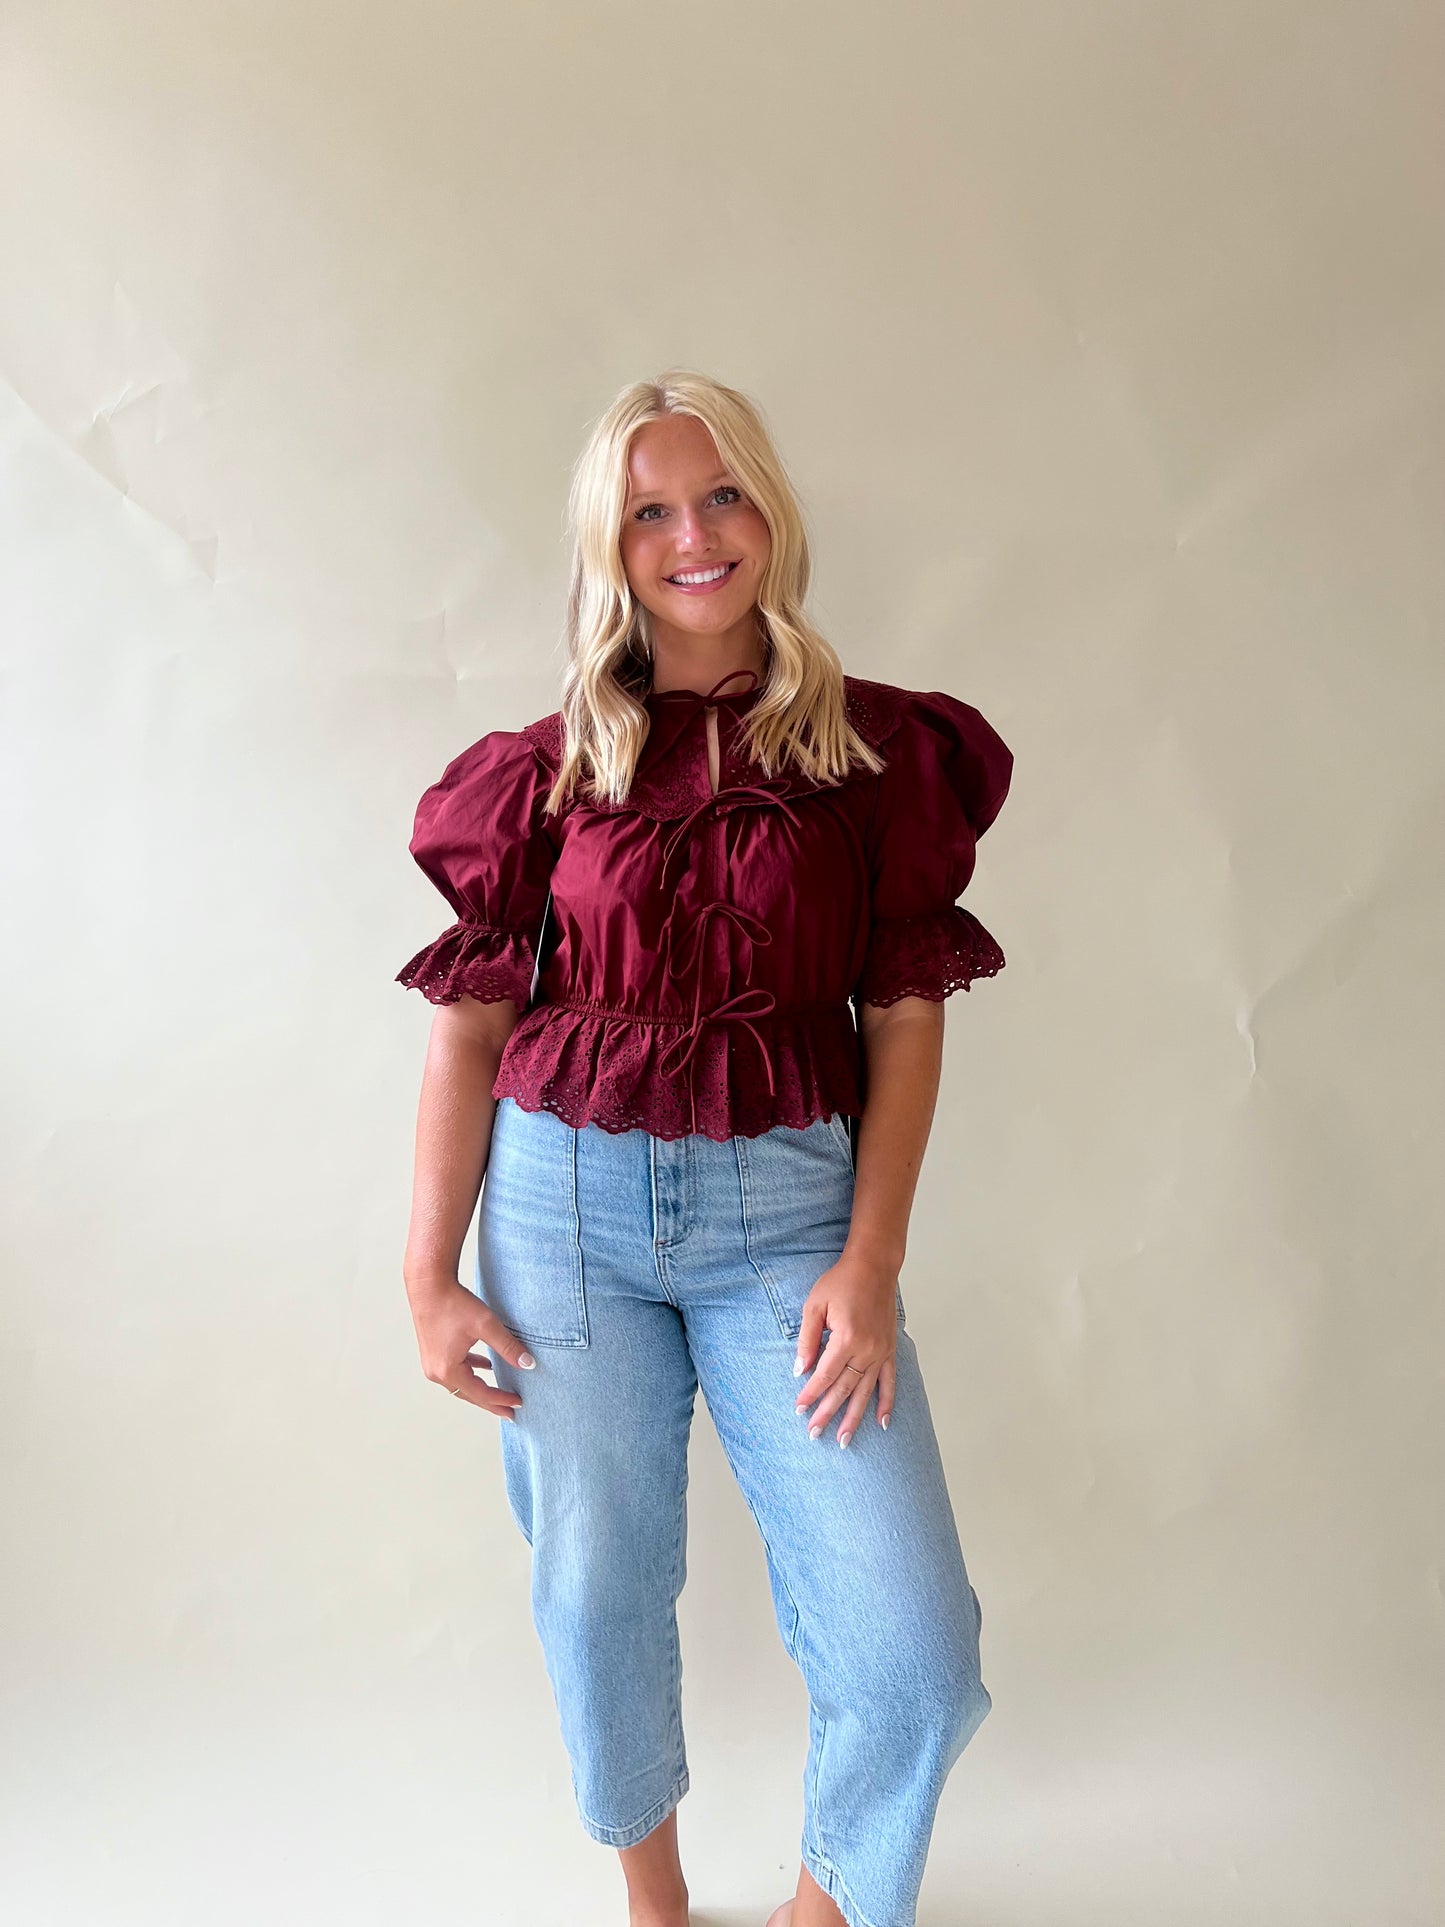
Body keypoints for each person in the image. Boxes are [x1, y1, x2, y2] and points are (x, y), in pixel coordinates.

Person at [396, 370, 1014, 1927]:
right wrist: (426, 1276)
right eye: (652, 509)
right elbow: (469, 1027)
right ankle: (653, 1908)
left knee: (912, 1649)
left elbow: (905, 1013)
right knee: (596, 1594)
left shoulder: (876, 757)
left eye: (722, 494)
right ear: (611, 544)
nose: (694, 535)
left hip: (788, 1213)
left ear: (772, 513)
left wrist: (867, 1262)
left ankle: (825, 1911)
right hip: (562, 1212)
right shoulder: (547, 769)